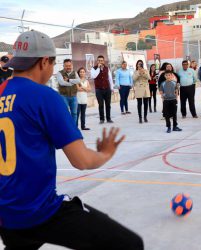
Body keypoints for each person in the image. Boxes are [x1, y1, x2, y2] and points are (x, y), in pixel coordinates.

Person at [0, 30, 143, 250]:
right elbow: (82, 161)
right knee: (129, 244)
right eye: (53, 64)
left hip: (7, 215)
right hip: (39, 211)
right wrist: (104, 153)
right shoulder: (45, 97)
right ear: (44, 61)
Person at [91, 55, 114, 124]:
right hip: (99, 89)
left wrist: (112, 88)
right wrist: (98, 68)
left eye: (101, 60)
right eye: (99, 60)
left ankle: (108, 118)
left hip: (107, 89)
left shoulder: (107, 68)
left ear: (104, 61)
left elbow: (110, 78)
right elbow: (93, 76)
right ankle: (101, 119)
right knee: (100, 105)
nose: (100, 62)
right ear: (97, 61)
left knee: (108, 104)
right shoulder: (94, 68)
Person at [56, 59, 80, 123]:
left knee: (74, 113)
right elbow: (61, 83)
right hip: (64, 96)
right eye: (66, 66)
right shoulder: (59, 73)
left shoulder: (74, 73)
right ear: (63, 66)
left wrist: (69, 80)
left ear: (72, 65)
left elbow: (78, 81)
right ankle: (67, 127)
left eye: (69, 65)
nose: (68, 67)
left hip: (74, 96)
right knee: (65, 113)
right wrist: (72, 83)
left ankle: (73, 128)